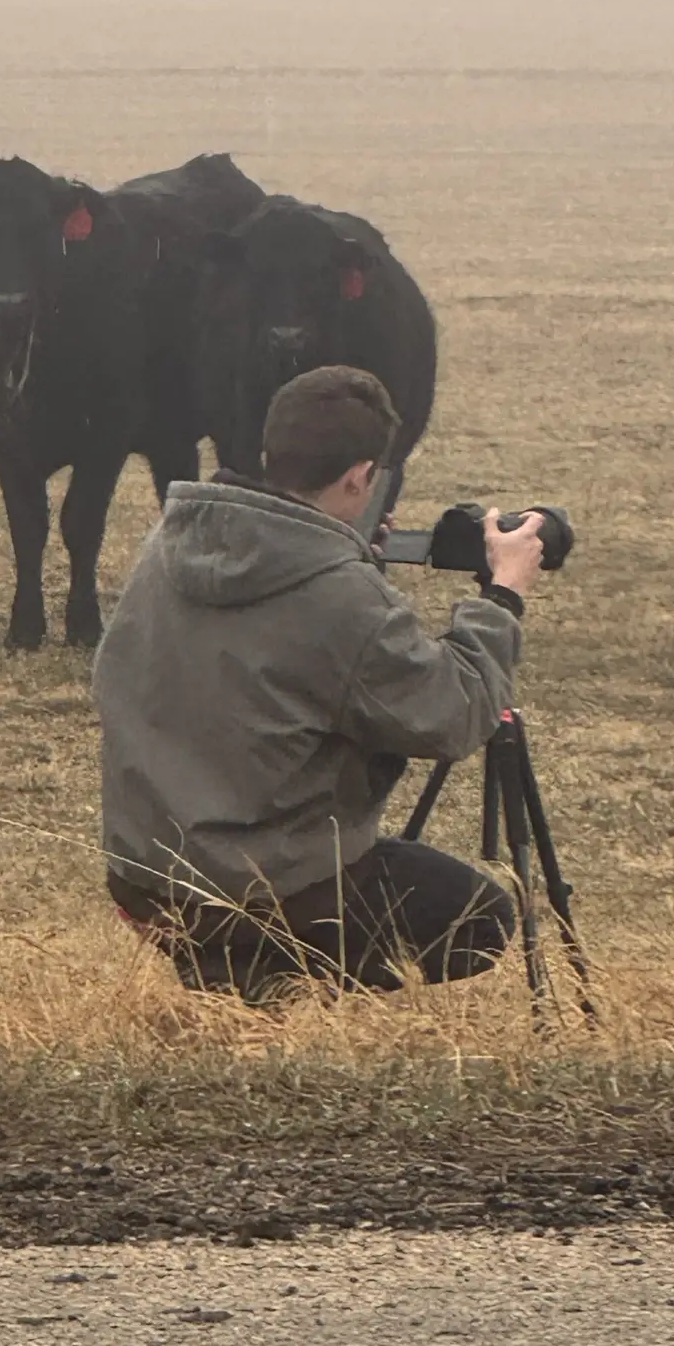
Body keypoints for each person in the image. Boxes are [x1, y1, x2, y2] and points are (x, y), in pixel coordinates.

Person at [94, 364, 545, 1001]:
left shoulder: (172, 543)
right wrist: (502, 597)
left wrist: (343, 552)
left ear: (270, 452)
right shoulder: (340, 596)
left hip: (145, 877)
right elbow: (456, 713)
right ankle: (262, 972)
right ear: (361, 476)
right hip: (261, 889)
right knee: (479, 920)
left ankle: (238, 977)